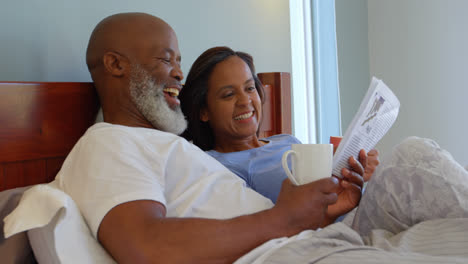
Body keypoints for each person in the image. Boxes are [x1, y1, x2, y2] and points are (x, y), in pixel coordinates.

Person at [55, 12, 468, 264]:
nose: (178, 73)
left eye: (179, 61)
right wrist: (286, 218)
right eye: (166, 59)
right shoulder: (107, 143)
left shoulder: (169, 148)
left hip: (314, 239)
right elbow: (146, 248)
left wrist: (316, 214)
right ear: (115, 64)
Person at [179, 46, 379, 204]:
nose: (245, 100)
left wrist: (356, 174)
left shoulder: (287, 140)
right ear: (203, 111)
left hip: (359, 205)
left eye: (249, 88)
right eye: (229, 94)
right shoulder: (217, 166)